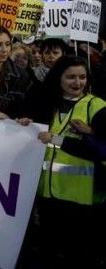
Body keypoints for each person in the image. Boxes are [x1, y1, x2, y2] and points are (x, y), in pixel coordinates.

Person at [34, 55, 106, 266]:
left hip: (83, 199)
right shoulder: (48, 102)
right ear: (59, 78)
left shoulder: (97, 105)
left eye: (82, 77)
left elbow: (101, 150)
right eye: (71, 77)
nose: (78, 82)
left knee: (78, 255)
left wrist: (58, 140)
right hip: (49, 195)